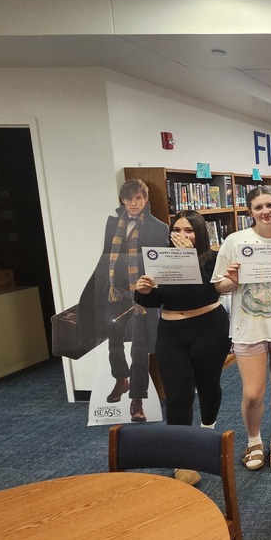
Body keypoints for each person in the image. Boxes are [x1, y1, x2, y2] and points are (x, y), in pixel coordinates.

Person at [134, 210, 231, 486]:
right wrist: (143, 291)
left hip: (209, 328)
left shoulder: (212, 259)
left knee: (208, 385)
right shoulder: (160, 259)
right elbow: (155, 300)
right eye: (177, 230)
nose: (182, 235)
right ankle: (181, 457)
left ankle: (208, 432)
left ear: (199, 233)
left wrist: (188, 258)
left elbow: (208, 292)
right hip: (171, 332)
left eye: (189, 230)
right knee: (178, 395)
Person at [213, 186, 271, 472]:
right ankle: (254, 440)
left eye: (270, 205)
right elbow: (220, 287)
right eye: (258, 207)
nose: (265, 211)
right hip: (248, 323)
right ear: (250, 212)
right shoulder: (235, 241)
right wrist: (233, 278)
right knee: (253, 392)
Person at [81, 178, 168, 423]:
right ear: (122, 200)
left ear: (146, 199)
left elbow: (159, 264)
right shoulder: (113, 223)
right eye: (128, 199)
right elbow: (106, 256)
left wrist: (150, 292)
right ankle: (121, 380)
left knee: (139, 347)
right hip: (114, 292)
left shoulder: (158, 227)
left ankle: (137, 400)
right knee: (114, 342)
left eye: (138, 198)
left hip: (141, 297)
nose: (133, 203)